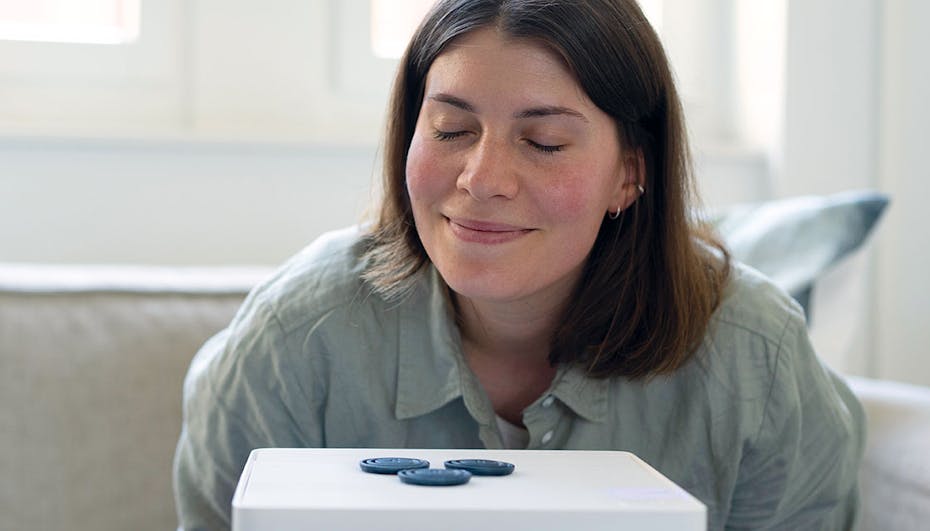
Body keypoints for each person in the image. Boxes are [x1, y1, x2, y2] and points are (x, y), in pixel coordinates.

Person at [172, 0, 865, 529]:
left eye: (543, 141)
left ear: (629, 174)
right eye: (452, 130)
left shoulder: (755, 358)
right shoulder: (296, 337)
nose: (482, 177)